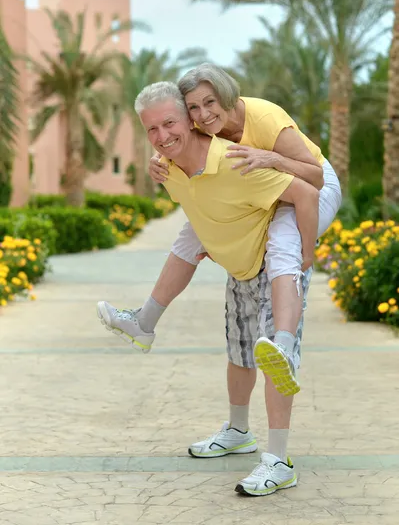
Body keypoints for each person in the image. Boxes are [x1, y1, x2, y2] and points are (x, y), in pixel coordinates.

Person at [98, 81, 319, 496]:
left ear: (191, 122)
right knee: (240, 353)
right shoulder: (171, 167)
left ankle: (277, 460)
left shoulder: (236, 160)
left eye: (170, 123)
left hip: (276, 263)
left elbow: (308, 191)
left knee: (273, 354)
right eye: (152, 130)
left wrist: (307, 257)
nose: (162, 136)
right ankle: (238, 431)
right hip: (241, 264)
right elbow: (197, 225)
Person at [98, 64, 342, 396]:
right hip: (277, 183)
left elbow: (313, 179)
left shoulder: (265, 118)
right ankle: (144, 322)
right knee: (191, 232)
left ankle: (283, 345)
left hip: (314, 184)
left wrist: (272, 158)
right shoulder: (201, 124)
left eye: (210, 102)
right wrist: (159, 158)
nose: (203, 114)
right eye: (194, 108)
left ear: (226, 94)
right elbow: (176, 138)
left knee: (282, 244)